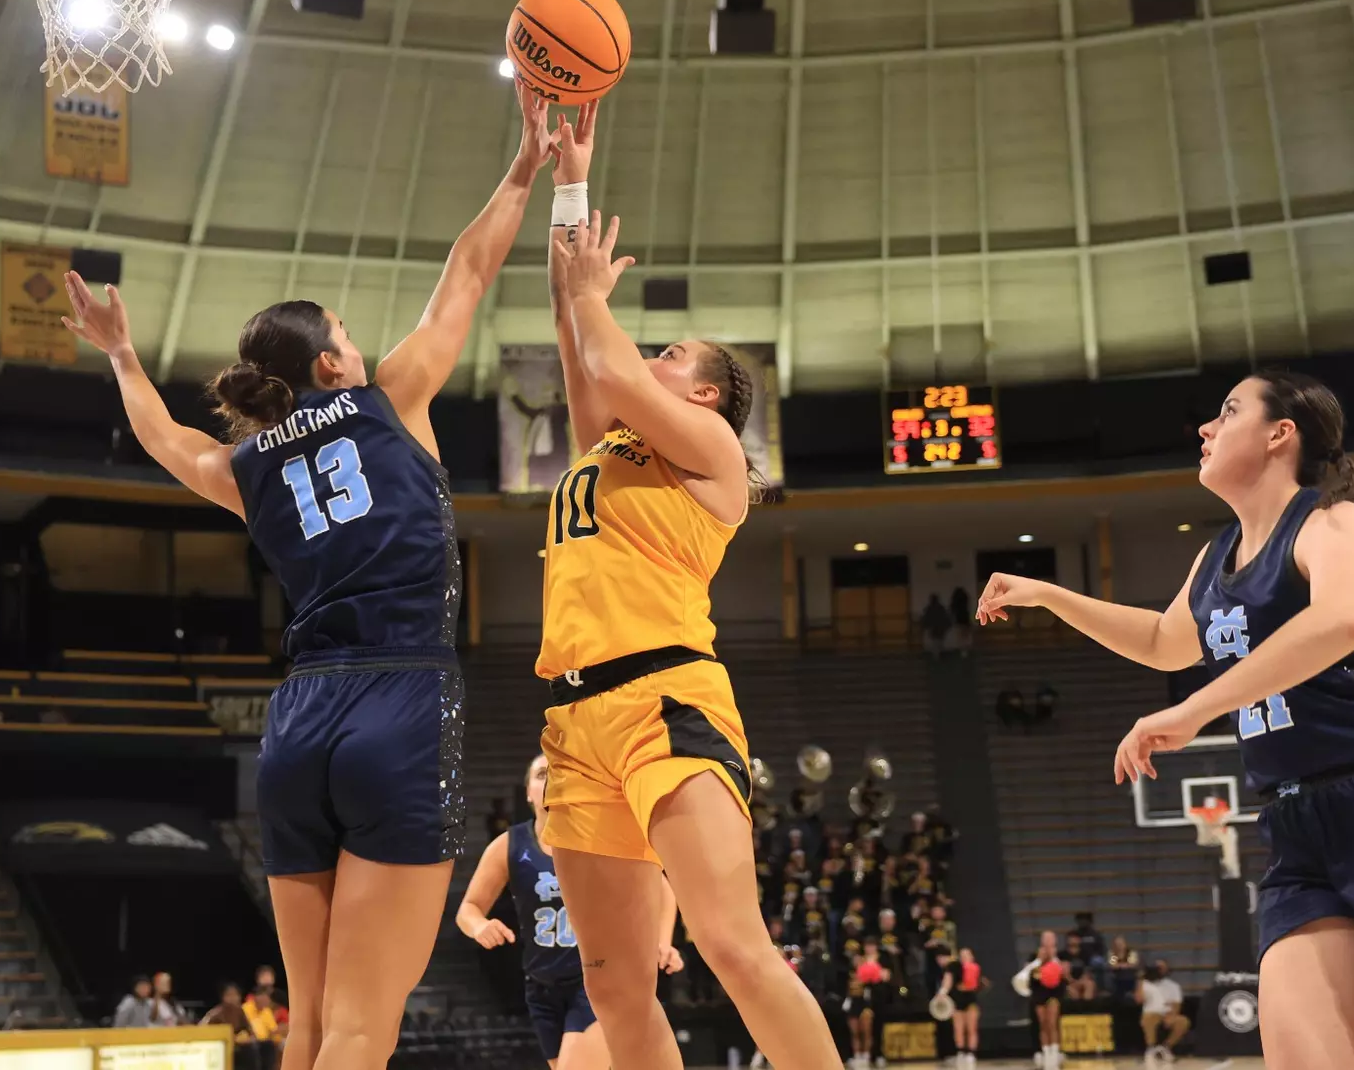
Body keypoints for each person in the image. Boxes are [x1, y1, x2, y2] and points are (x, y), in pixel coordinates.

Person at [60, 82, 558, 1070]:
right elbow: (467, 272)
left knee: (315, 1025)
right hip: (400, 702)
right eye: (344, 331)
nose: (359, 339)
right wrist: (523, 167)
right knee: (366, 1031)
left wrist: (121, 354)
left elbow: (164, 438)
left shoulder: (247, 467)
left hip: (295, 726)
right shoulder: (390, 398)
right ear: (331, 365)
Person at [978, 370, 1354, 1070]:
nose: (1205, 428)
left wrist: (1195, 710)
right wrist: (1050, 595)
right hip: (1299, 825)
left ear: (1279, 434)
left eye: (1227, 412)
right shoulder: (1213, 562)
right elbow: (1159, 641)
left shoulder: (1334, 521)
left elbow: (1345, 619)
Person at [538, 106, 840, 1070]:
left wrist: (595, 301)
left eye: (673, 357)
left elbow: (602, 349)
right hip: (577, 723)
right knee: (613, 982)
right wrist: (570, 187)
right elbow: (578, 337)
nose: (652, 358)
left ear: (707, 394)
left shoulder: (712, 454)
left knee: (731, 946)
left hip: (666, 700)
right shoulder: (610, 445)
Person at [455, 753, 683, 1070]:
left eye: (557, 772)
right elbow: (468, 908)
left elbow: (661, 887)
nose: (549, 780)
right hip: (541, 985)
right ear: (527, 792)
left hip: (596, 979)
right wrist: (479, 926)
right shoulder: (510, 845)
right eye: (540, 774)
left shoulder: (598, 836)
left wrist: (663, 941)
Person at [1015, 933, 1065, 1070]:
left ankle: (1055, 1052)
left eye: (1051, 939)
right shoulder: (1034, 957)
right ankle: (1046, 1052)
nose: (1048, 942)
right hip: (1039, 992)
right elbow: (1029, 974)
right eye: (1046, 939)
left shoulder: (1059, 956)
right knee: (1043, 1024)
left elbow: (1063, 974)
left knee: (1052, 1023)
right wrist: (1039, 960)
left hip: (1053, 993)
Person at [935, 945, 984, 1063]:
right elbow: (948, 980)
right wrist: (942, 992)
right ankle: (960, 1052)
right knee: (958, 1028)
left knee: (971, 1027)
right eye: (962, 955)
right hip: (957, 1001)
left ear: (972, 957)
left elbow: (978, 984)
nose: (964, 957)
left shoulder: (976, 968)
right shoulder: (953, 966)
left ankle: (971, 1053)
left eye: (967, 955)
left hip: (970, 1000)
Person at [845, 940, 889, 1068]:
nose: (857, 960)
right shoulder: (848, 971)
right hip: (852, 1002)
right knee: (854, 1032)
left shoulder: (869, 968)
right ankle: (857, 1055)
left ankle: (866, 1056)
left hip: (864, 1001)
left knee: (866, 1031)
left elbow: (878, 978)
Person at [1136, 960, 1188, 1061]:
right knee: (1147, 1018)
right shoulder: (1145, 984)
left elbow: (1176, 1005)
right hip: (1151, 1013)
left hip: (1168, 1013)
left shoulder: (1173, 986)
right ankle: (1151, 1048)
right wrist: (1140, 981)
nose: (1160, 970)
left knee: (1183, 1021)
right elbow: (1139, 1000)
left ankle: (1165, 1048)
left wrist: (1172, 1015)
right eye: (1158, 968)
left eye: (1162, 968)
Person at [201, 983, 261, 1070]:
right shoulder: (215, 1014)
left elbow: (251, 1032)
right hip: (221, 1047)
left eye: (235, 995)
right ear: (223, 997)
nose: (233, 998)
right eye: (229, 995)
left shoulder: (240, 1012)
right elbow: (203, 1030)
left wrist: (250, 1039)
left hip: (239, 1045)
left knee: (264, 1046)